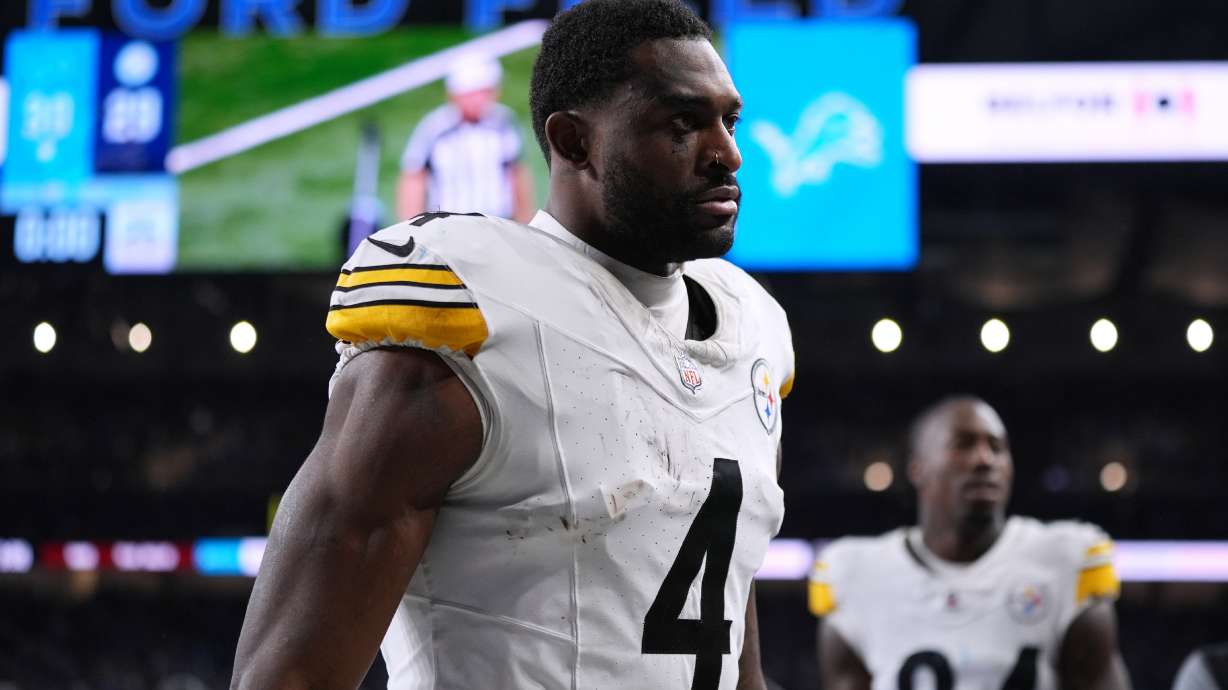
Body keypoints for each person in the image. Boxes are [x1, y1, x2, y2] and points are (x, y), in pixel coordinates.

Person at [230, 1, 795, 689]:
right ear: (574, 141)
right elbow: (290, 673)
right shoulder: (465, 317)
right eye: (683, 124)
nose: (726, 153)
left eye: (727, 121)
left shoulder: (753, 331)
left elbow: (729, 629)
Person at [811, 396, 1130, 690]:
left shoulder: (1063, 561)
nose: (984, 459)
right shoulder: (857, 575)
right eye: (963, 444)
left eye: (997, 447)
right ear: (917, 468)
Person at [395, 55, 534, 223]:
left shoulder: (503, 122)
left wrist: (525, 221)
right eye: (475, 93)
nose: (481, 100)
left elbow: (516, 173)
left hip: (498, 223)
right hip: (448, 225)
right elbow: (414, 178)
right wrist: (411, 225)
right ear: (456, 94)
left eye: (487, 92)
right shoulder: (435, 128)